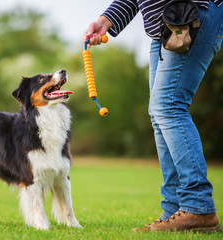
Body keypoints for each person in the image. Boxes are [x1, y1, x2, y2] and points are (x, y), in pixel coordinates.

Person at [84, 0, 223, 233]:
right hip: (165, 23)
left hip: (190, 13)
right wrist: (104, 21)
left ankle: (197, 206)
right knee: (159, 113)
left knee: (168, 107)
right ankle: (175, 210)